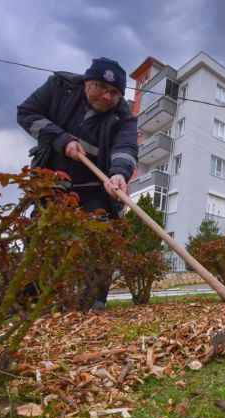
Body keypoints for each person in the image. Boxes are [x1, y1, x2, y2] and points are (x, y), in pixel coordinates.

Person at [17, 57, 138, 310]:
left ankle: (93, 305)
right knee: (41, 238)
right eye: (102, 88)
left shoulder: (124, 116)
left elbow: (125, 147)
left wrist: (119, 174)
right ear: (87, 82)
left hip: (95, 187)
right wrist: (61, 139)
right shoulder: (60, 88)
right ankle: (28, 303)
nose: (108, 97)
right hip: (52, 181)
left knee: (102, 238)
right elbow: (27, 113)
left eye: (114, 93)